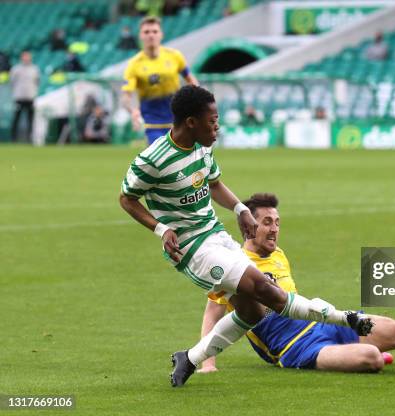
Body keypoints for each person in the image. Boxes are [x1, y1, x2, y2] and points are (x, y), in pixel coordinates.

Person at [119, 85, 372, 387]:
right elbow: (127, 199)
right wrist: (161, 229)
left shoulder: (203, 148)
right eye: (212, 121)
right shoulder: (153, 160)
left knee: (253, 312)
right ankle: (346, 317)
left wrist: (240, 208)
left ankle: (189, 358)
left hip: (216, 235)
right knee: (265, 289)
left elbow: (214, 184)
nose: (217, 127)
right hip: (193, 249)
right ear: (191, 122)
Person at [198, 193, 395, 373]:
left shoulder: (277, 253)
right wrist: (206, 362)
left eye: (277, 222)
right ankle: (368, 351)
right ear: (248, 224)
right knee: (371, 360)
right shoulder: (234, 267)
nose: (274, 229)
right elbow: (213, 313)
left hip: (324, 321)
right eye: (266, 222)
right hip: (295, 348)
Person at [122, 16, 199, 145]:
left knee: (183, 161)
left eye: (154, 31)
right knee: (162, 160)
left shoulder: (175, 56)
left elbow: (190, 79)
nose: (151, 35)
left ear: (161, 34)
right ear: (140, 36)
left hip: (178, 121)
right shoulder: (134, 64)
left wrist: (198, 101)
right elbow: (126, 96)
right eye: (146, 32)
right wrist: (133, 110)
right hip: (152, 125)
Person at [10, 51, 40, 142]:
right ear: (21, 57)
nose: (26, 58)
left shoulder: (35, 69)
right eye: (25, 57)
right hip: (19, 97)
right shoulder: (16, 69)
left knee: (30, 118)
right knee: (16, 118)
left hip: (30, 97)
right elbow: (12, 81)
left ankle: (30, 138)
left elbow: (37, 82)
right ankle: (14, 138)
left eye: (28, 57)